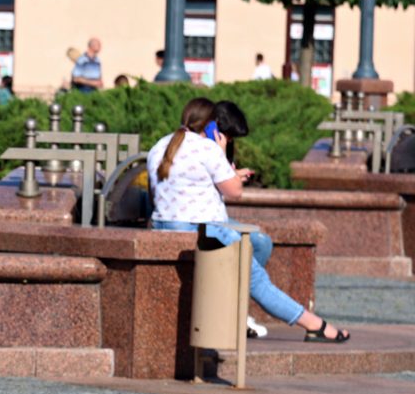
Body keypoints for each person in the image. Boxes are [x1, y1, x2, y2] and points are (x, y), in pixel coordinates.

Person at [148, 97, 349, 343]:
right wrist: (221, 155)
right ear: (211, 126)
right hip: (205, 230)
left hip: (167, 225)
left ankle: (235, 311)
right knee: (257, 280)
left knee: (261, 242)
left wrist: (227, 172)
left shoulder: (161, 145)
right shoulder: (209, 149)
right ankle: (313, 324)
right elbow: (235, 192)